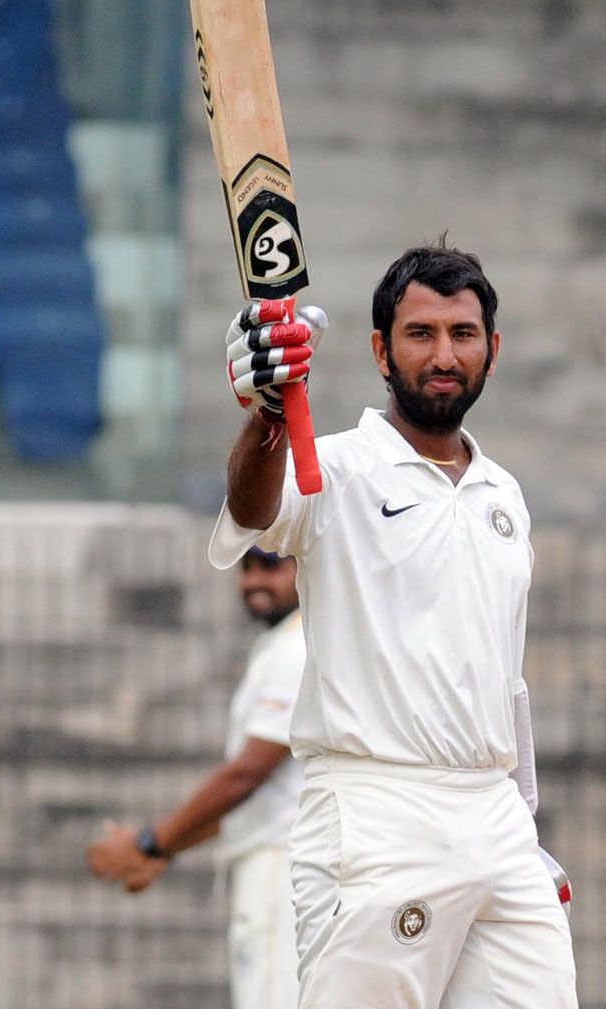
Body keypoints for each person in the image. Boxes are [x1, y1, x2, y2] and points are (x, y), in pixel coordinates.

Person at [209, 239, 578, 1009]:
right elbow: (255, 509)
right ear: (382, 349)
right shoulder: (336, 468)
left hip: (496, 816)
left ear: (492, 350)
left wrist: (521, 822)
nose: (444, 354)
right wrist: (270, 416)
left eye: (462, 334)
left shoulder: (503, 494)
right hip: (377, 811)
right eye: (421, 334)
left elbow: (503, 677)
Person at [86, 546, 305, 1009]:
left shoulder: (299, 647)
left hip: (284, 871)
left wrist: (149, 843)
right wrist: (165, 847)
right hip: (274, 862)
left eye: (271, 565)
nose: (253, 581)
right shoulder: (282, 643)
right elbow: (247, 794)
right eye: (246, 568)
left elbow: (247, 776)